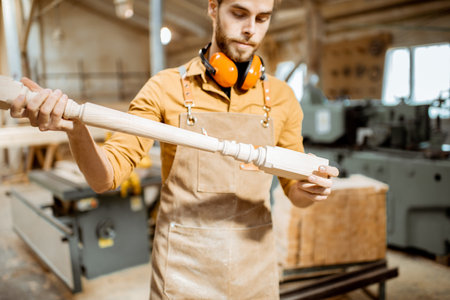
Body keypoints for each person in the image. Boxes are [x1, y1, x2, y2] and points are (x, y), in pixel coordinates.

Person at [10, 0, 339, 298]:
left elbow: (294, 191)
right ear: (213, 8)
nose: (251, 29)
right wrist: (77, 131)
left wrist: (311, 189)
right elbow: (104, 179)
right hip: (184, 272)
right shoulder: (164, 88)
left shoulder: (281, 97)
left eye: (262, 18)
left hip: (255, 270)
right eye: (238, 13)